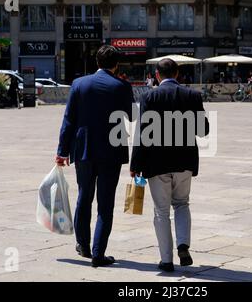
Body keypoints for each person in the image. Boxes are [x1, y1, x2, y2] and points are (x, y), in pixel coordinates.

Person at [55, 45, 134, 268]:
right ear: (116, 64)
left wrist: (62, 151)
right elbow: (130, 116)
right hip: (111, 150)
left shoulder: (79, 84)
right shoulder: (121, 86)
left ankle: (82, 245)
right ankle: (99, 253)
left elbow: (69, 119)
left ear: (96, 62)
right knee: (105, 203)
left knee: (84, 196)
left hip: (83, 149)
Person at [130, 58, 209, 272]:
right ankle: (183, 244)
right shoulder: (192, 96)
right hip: (184, 161)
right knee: (182, 204)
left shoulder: (149, 96)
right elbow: (204, 130)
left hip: (157, 163)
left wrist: (135, 163)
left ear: (157, 75)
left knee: (161, 211)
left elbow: (142, 133)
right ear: (177, 74)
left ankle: (166, 260)